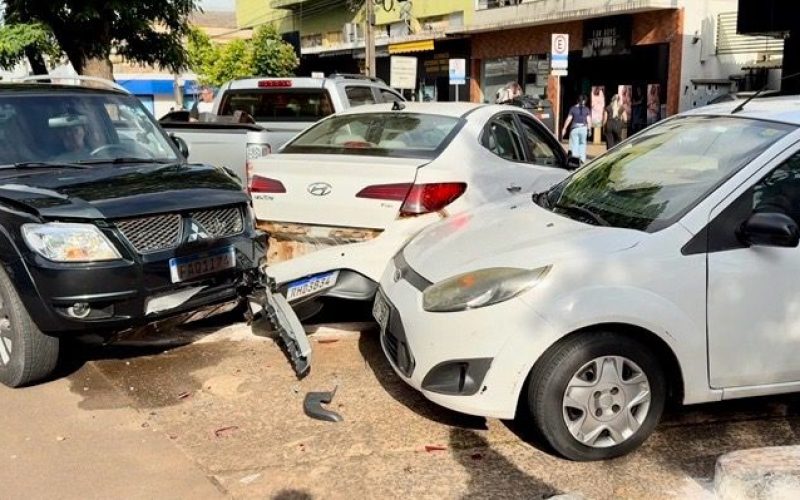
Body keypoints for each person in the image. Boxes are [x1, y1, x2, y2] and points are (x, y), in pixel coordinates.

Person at [561, 94, 591, 163]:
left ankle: (575, 161)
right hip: (583, 129)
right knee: (583, 144)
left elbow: (569, 119)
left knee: (574, 145)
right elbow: (589, 120)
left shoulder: (573, 108)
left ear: (577, 100)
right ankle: (582, 160)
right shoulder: (586, 109)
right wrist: (589, 130)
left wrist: (564, 128)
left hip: (574, 129)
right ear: (585, 101)